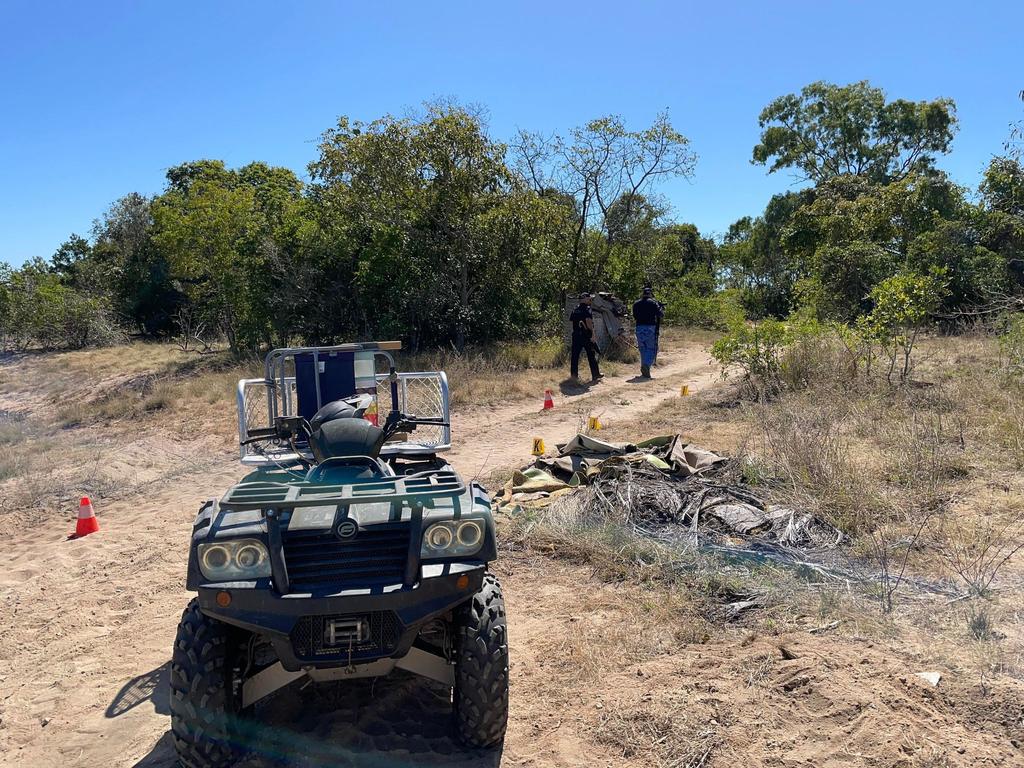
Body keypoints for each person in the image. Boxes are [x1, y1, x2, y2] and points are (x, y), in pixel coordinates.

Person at [569, 293, 602, 383]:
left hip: (576, 335)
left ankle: (574, 377)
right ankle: (595, 374)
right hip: (586, 335)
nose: (590, 300)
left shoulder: (575, 309)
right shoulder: (587, 309)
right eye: (589, 299)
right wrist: (593, 335)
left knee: (575, 356)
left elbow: (573, 322)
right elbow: (588, 321)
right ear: (585, 299)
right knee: (591, 355)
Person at [633, 286, 664, 378]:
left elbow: (635, 316)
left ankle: (644, 369)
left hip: (639, 327)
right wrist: (660, 307)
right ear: (650, 294)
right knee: (651, 348)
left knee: (643, 349)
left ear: (643, 294)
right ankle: (646, 365)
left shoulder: (636, 304)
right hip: (650, 327)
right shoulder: (653, 303)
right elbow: (661, 315)